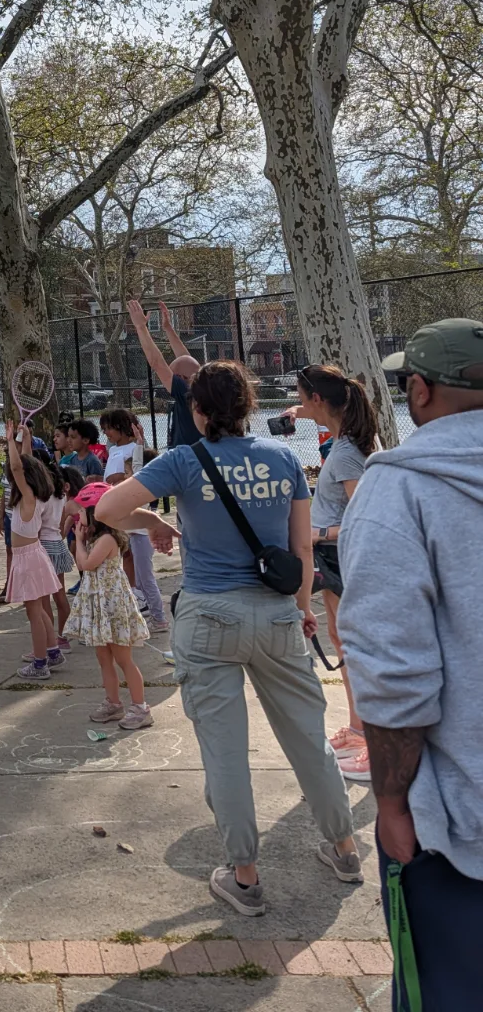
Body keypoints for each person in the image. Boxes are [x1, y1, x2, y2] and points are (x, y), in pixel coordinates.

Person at [98, 359, 362, 916]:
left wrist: (156, 525)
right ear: (248, 408)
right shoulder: (286, 459)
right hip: (277, 616)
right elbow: (303, 551)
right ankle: (343, 847)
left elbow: (107, 507)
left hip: (209, 616)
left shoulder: (184, 461)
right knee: (308, 739)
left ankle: (245, 876)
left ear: (197, 410)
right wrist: (300, 610)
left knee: (225, 751)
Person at [339, 319, 483, 1012]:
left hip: (459, 831)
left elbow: (393, 673)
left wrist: (391, 799)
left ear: (418, 391)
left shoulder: (397, 489)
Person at [290, 364, 378, 783]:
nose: (301, 404)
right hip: (333, 558)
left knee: (356, 650)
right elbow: (314, 407)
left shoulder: (346, 453)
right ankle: (360, 729)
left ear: (320, 400)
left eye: (304, 398)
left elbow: (365, 517)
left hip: (343, 557)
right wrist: (297, 412)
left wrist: (317, 532)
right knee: (343, 643)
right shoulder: (343, 438)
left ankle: (373, 744)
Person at [64, 479, 152, 727]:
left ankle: (140, 707)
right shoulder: (94, 538)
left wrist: (79, 541)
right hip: (100, 607)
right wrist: (80, 539)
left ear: (94, 514)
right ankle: (113, 703)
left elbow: (86, 564)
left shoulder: (107, 540)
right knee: (104, 658)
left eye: (81, 510)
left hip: (112, 607)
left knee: (124, 659)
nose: (77, 514)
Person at [4, 421, 66, 679]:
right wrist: (24, 438)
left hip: (29, 558)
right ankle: (52, 652)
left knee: (34, 613)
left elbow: (19, 466)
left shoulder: (29, 496)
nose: (12, 475)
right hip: (33, 555)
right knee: (40, 610)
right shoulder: (35, 494)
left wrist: (10, 442)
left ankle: (40, 663)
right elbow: (26, 463)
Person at [101, 410, 167, 633]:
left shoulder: (140, 485)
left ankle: (159, 619)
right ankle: (147, 613)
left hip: (140, 533)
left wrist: (139, 444)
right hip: (131, 530)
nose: (127, 472)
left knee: (146, 578)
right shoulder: (118, 455)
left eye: (129, 469)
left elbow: (138, 470)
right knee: (139, 577)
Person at [127, 298, 201, 447]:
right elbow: (186, 360)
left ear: (180, 378)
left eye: (171, 375)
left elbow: (157, 363)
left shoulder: (186, 393)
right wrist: (168, 328)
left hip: (186, 459)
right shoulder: (202, 384)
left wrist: (141, 327)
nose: (166, 379)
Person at [32, 449, 72, 651]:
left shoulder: (42, 498)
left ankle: (49, 642)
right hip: (58, 544)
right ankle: (63, 636)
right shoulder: (61, 496)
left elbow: (36, 527)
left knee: (44, 598)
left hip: (44, 546)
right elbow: (63, 521)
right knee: (60, 595)